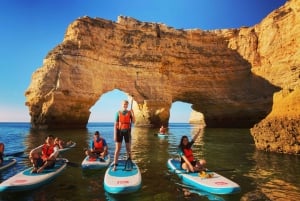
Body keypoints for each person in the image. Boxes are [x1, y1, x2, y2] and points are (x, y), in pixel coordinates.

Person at [113, 100, 135, 171]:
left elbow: (134, 122)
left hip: (127, 132)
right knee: (117, 149)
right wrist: (115, 135)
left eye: (126, 104)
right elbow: (115, 125)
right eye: (124, 104)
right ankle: (115, 165)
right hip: (119, 132)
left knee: (128, 149)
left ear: (127, 105)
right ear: (122, 104)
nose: (125, 105)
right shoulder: (118, 113)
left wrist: (133, 113)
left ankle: (130, 163)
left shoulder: (129, 113)